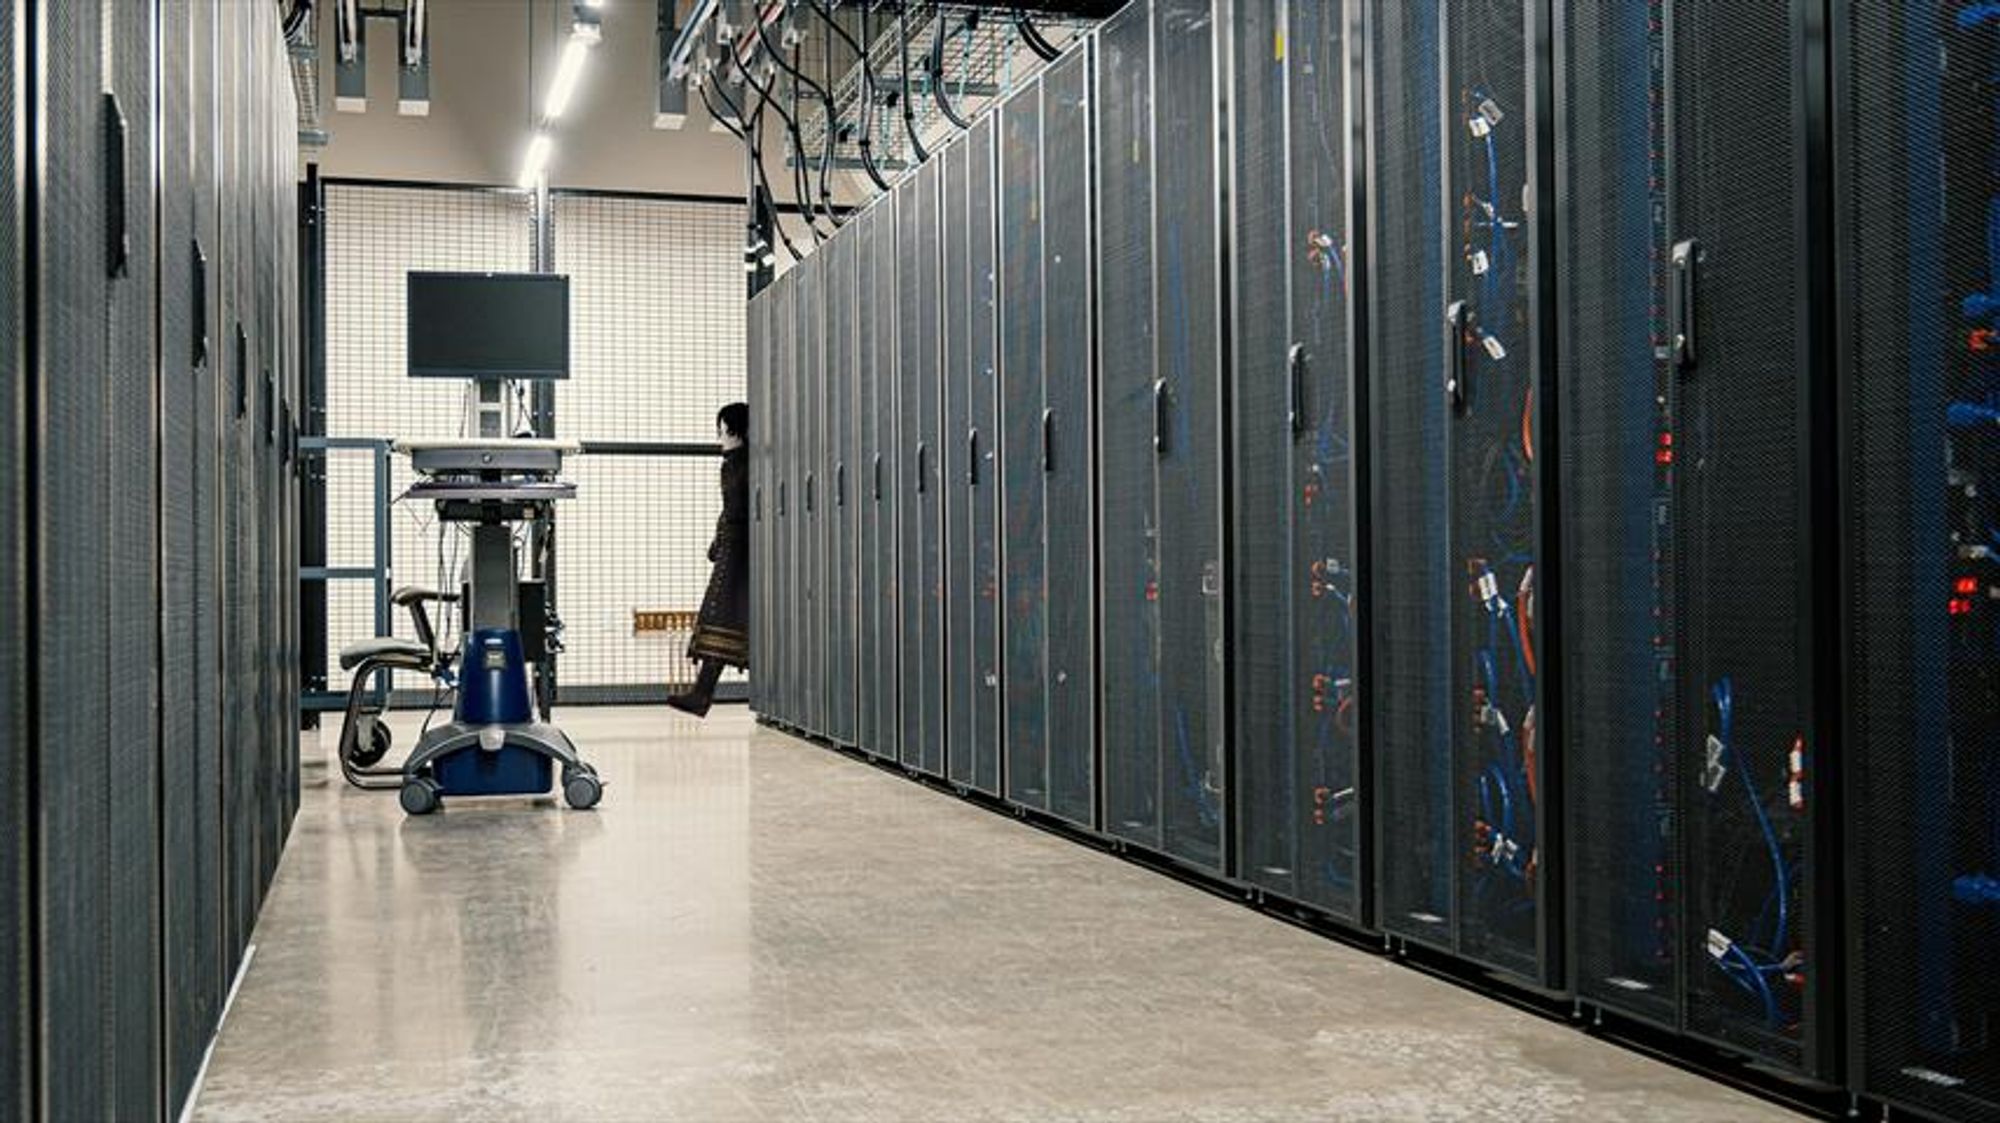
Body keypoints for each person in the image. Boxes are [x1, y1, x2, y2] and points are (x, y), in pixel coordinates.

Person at [669, 402, 750, 717]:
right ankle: (702, 693)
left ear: (732, 430)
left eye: (721, 432)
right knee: (728, 617)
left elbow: (733, 510)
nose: (720, 439)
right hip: (737, 547)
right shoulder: (745, 462)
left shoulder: (735, 464)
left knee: (720, 614)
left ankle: (702, 694)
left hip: (737, 551)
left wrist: (721, 541)